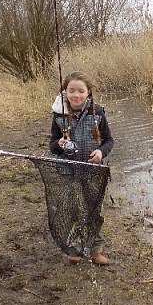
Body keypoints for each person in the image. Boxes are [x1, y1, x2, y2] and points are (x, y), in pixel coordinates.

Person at [49, 71, 114, 265]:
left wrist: (101, 153)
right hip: (68, 172)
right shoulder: (58, 116)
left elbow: (109, 141)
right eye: (71, 91)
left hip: (94, 172)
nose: (76, 95)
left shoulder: (99, 113)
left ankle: (96, 250)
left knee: (96, 211)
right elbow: (52, 146)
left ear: (88, 93)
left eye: (81, 91)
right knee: (73, 210)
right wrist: (60, 144)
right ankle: (74, 249)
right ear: (64, 92)